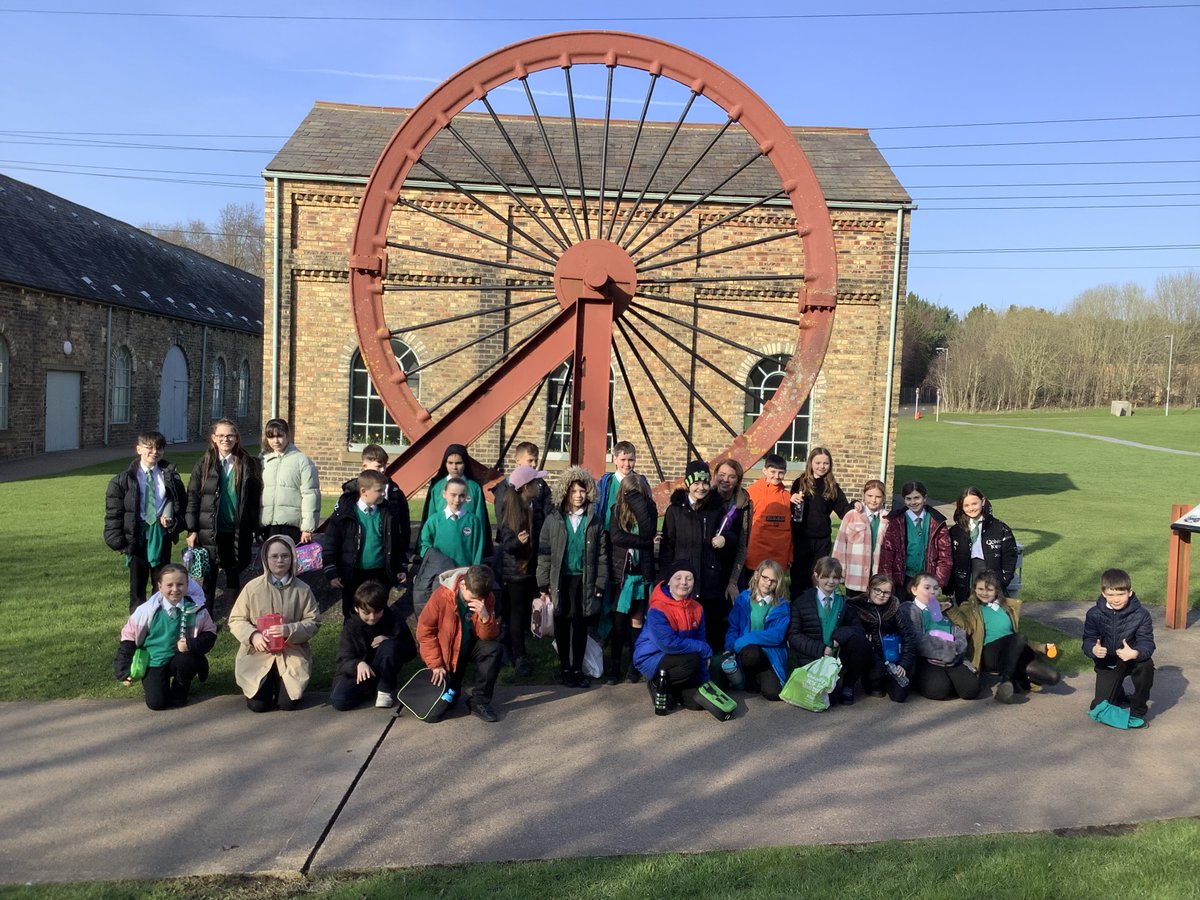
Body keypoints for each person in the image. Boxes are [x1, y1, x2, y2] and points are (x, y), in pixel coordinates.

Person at [228, 535, 321, 712]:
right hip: (258, 653)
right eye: (274, 556)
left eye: (285, 556)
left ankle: (281, 681)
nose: (280, 560)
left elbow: (314, 621)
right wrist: (253, 635)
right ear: (266, 559)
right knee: (259, 706)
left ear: (292, 557)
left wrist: (290, 630)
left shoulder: (303, 589)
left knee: (287, 704)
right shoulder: (252, 588)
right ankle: (267, 681)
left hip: (291, 652)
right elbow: (236, 619)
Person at [537, 466, 608, 688]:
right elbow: (545, 552)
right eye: (573, 491)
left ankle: (578, 668)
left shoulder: (594, 521)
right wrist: (543, 582)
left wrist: (600, 583)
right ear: (565, 493)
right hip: (561, 580)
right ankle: (565, 668)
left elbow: (602, 556)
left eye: (582, 491)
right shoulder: (553, 519)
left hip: (584, 580)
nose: (578, 496)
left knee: (580, 624)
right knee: (562, 622)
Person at [185, 418, 262, 618]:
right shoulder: (204, 463)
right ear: (214, 438)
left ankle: (233, 618)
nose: (225, 439)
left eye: (230, 435)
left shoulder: (248, 463)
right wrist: (192, 529)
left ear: (236, 438)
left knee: (233, 574)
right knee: (209, 577)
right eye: (221, 435)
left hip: (236, 529)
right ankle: (206, 617)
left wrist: (255, 527)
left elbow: (254, 500)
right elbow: (192, 497)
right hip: (210, 529)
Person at [104, 430, 187, 611]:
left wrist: (174, 523)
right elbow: (114, 513)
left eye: (159, 448)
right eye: (149, 448)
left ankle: (161, 621)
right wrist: (117, 541)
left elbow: (184, 508)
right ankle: (137, 625)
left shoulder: (170, 477)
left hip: (161, 536)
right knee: (137, 586)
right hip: (136, 537)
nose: (154, 452)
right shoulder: (123, 480)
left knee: (162, 582)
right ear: (139, 449)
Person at [114, 563, 216, 710]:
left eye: (180, 584)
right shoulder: (146, 611)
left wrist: (191, 645)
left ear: (187, 586)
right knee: (157, 703)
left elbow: (210, 633)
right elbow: (128, 638)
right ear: (160, 586)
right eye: (169, 585)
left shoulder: (196, 608)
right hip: (154, 660)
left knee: (187, 663)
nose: (175, 589)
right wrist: (124, 671)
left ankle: (180, 688)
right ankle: (159, 686)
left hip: (181, 657)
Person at [948, 570, 1060, 703]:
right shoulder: (970, 608)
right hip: (990, 653)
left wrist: (1041, 647)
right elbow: (965, 626)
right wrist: (950, 609)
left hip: (1013, 649)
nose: (984, 593)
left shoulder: (1006, 608)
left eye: (989, 589)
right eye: (980, 589)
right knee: (1019, 638)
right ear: (974, 589)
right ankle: (1006, 682)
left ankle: (1017, 678)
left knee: (1053, 677)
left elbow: (1014, 637)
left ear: (997, 590)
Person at [416, 564, 502, 722]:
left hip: (471, 646)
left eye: (482, 598)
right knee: (439, 711)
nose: (478, 601)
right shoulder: (441, 596)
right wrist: (436, 664)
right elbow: (425, 631)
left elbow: (488, 636)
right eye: (474, 597)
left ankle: (479, 701)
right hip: (447, 656)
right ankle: (453, 687)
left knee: (493, 649)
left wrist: (485, 618)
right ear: (462, 585)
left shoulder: (487, 598)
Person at [660, 461, 728, 654]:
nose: (701, 487)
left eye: (705, 482)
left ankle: (712, 667)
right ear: (688, 483)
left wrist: (725, 539)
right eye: (697, 483)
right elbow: (667, 545)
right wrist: (665, 577)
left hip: (709, 577)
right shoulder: (675, 511)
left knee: (710, 624)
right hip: (684, 578)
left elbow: (730, 534)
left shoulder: (716, 509)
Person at [325, 469, 409, 619]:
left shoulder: (387, 513)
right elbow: (331, 543)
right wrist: (332, 572)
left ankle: (378, 642)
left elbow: (396, 543)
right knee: (352, 613)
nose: (384, 494)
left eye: (384, 490)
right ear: (364, 491)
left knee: (377, 613)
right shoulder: (344, 514)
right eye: (379, 490)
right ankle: (354, 641)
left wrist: (401, 566)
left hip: (380, 574)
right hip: (353, 574)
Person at [787, 556, 872, 705]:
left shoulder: (844, 602)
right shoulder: (801, 602)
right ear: (816, 576)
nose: (831, 581)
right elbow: (794, 635)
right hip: (812, 657)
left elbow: (857, 628)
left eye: (835, 578)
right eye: (825, 577)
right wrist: (819, 649)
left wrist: (840, 636)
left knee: (862, 642)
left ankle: (848, 684)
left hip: (837, 658)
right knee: (828, 699)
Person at [632, 561, 714, 713]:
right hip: (652, 657)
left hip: (680, 656)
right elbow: (668, 644)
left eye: (689, 578)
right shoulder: (657, 608)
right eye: (678, 578)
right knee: (692, 660)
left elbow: (700, 640)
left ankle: (674, 690)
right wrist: (703, 649)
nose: (683, 582)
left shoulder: (697, 608)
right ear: (669, 581)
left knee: (697, 703)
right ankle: (657, 683)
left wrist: (704, 681)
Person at [494, 464, 549, 677]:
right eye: (535, 482)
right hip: (515, 572)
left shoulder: (534, 507)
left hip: (530, 569)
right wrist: (517, 542)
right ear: (526, 487)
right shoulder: (512, 509)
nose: (539, 485)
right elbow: (506, 543)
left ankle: (516, 649)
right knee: (515, 614)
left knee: (524, 612)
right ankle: (519, 656)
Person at [330, 581, 417, 711]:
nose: (372, 617)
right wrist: (357, 664)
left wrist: (390, 640)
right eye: (366, 613)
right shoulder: (350, 626)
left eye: (377, 612)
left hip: (383, 670)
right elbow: (343, 659)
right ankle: (369, 688)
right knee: (339, 700)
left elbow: (411, 651)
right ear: (356, 608)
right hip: (359, 673)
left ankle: (384, 690)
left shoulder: (393, 618)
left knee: (389, 645)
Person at [1082, 567, 1155, 722]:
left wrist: (1135, 653)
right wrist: (1093, 649)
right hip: (1108, 662)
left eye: (1121, 594)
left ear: (1129, 592)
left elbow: (1147, 642)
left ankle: (1138, 708)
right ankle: (1118, 694)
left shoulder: (1141, 614)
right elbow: (1088, 639)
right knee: (1098, 709)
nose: (1116, 599)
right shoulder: (1094, 614)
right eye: (1110, 594)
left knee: (1146, 665)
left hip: (1132, 659)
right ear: (1103, 594)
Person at [604, 472, 657, 684]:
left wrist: (639, 505)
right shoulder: (616, 510)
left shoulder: (649, 510)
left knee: (638, 620)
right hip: (622, 575)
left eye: (638, 494)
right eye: (631, 495)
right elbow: (617, 538)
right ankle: (615, 666)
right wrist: (644, 543)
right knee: (618, 622)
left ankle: (634, 666)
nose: (634, 498)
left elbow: (648, 532)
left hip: (641, 575)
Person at [900, 571, 979, 701]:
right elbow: (917, 638)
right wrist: (947, 650)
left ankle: (952, 679)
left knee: (971, 690)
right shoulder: (908, 609)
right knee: (939, 690)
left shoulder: (940, 607)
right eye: (927, 587)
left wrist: (956, 650)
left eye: (936, 588)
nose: (933, 592)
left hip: (953, 655)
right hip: (927, 659)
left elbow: (959, 631)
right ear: (914, 590)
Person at [720, 560, 790, 701]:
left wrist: (745, 639)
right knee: (751, 654)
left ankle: (761, 678)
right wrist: (730, 646)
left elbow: (777, 635)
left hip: (770, 652)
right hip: (748, 652)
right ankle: (750, 677)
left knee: (773, 694)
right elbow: (733, 626)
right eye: (765, 578)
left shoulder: (782, 605)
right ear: (757, 575)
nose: (768, 583)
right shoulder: (743, 599)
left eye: (773, 581)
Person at [789, 447, 855, 591]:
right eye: (818, 463)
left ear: (830, 465)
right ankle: (798, 609)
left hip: (822, 540)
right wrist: (791, 499)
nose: (821, 466)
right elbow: (789, 509)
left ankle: (817, 608)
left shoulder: (832, 486)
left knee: (819, 578)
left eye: (825, 463)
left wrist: (856, 505)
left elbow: (844, 510)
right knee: (799, 577)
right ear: (810, 463)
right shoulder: (800, 483)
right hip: (801, 538)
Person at [850, 574, 915, 703]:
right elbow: (853, 630)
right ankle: (872, 682)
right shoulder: (857, 606)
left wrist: (904, 663)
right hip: (871, 656)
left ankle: (888, 680)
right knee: (877, 674)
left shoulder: (895, 608)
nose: (881, 595)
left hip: (894, 656)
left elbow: (908, 635)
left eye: (886, 592)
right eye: (877, 590)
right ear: (869, 588)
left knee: (900, 696)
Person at [878, 480, 952, 592]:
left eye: (917, 498)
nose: (913, 502)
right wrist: (887, 580)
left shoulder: (937, 522)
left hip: (927, 579)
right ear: (904, 500)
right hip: (902, 579)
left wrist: (939, 581)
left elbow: (945, 555)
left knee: (924, 608)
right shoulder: (896, 522)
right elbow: (887, 553)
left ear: (925, 498)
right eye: (908, 498)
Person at [948, 487, 1018, 605]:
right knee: (968, 614)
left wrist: (1003, 580)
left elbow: (1010, 555)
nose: (971, 508)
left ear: (983, 501)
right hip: (966, 578)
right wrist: (949, 587)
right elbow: (949, 558)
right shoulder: (956, 531)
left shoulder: (1000, 528)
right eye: (966, 505)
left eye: (974, 503)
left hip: (991, 577)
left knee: (990, 615)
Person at [421, 443, 493, 558]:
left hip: (466, 542)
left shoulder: (474, 487)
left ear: (465, 464)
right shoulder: (438, 487)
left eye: (459, 463)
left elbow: (480, 519)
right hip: (441, 544)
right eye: (450, 463)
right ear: (445, 464)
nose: (454, 467)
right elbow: (430, 517)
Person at [258, 417, 321, 545]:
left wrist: (307, 528)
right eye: (271, 437)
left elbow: (310, 495)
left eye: (280, 436)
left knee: (289, 562)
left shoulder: (302, 461)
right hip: (267, 525)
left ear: (288, 435)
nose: (276, 441)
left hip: (291, 526)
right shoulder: (262, 460)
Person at [832, 479, 889, 598]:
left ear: (883, 498)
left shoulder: (888, 519)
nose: (873, 500)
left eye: (878, 496)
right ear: (863, 495)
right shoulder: (852, 516)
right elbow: (841, 545)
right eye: (870, 496)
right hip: (855, 574)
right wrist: (838, 572)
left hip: (878, 575)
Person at [744, 452, 792, 590]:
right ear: (764, 470)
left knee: (775, 592)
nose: (776, 476)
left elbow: (791, 530)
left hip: (779, 553)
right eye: (773, 471)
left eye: (781, 473)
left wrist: (790, 556)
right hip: (756, 553)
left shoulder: (787, 497)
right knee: (753, 590)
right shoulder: (752, 492)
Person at [418, 476, 487, 569]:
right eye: (453, 495)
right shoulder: (433, 521)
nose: (457, 500)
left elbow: (478, 550)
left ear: (466, 496)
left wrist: (474, 571)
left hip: (464, 573)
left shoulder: (474, 521)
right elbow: (425, 547)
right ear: (444, 494)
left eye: (462, 496)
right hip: (439, 572)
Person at [712, 458, 750, 603]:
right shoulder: (706, 498)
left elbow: (743, 544)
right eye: (721, 475)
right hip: (709, 567)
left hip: (731, 565)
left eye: (731, 476)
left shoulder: (744, 503)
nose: (725, 480)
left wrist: (733, 581)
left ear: (738, 481)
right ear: (715, 476)